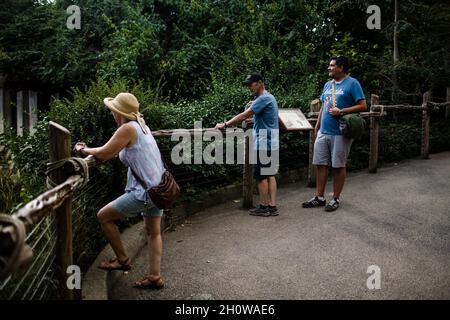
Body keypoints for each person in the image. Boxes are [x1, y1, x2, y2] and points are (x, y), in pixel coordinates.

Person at [73, 92, 165, 289]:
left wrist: (83, 150)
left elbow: (105, 152)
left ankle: (122, 260)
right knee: (153, 232)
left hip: (146, 191)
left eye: (113, 111)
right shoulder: (142, 126)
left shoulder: (127, 129)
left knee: (104, 216)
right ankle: (155, 277)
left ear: (119, 113)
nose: (112, 114)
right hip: (159, 188)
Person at [302, 56, 366, 212]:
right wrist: (317, 126)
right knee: (320, 164)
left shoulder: (352, 83)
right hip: (324, 131)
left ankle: (335, 198)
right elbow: (324, 106)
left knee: (338, 166)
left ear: (341, 67)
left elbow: (363, 105)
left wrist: (342, 111)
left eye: (332, 65)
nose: (329, 68)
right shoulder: (327, 85)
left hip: (341, 132)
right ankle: (319, 197)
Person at [215, 73, 279, 217]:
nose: (249, 88)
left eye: (251, 84)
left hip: (263, 142)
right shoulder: (270, 97)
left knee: (261, 176)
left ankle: (264, 207)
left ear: (260, 83)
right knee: (270, 175)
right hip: (271, 141)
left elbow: (245, 115)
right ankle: (272, 206)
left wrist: (225, 124)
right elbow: (258, 116)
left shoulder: (263, 99)